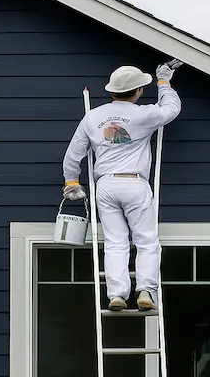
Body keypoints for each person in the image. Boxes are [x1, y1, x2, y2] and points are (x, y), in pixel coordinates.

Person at [61, 63, 181, 311]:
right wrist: (164, 82)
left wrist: (72, 182)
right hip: (134, 183)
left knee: (116, 242)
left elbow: (73, 154)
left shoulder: (93, 117)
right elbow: (171, 108)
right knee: (146, 241)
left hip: (105, 185)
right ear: (138, 91)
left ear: (112, 91)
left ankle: (117, 294)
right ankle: (146, 290)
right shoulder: (145, 114)